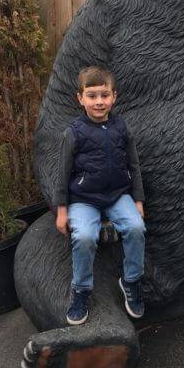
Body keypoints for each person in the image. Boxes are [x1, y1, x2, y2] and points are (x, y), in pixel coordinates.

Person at [54, 66, 146, 326]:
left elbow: (134, 165)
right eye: (92, 95)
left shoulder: (121, 127)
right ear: (80, 98)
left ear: (114, 97)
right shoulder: (73, 132)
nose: (99, 102)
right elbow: (62, 173)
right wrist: (62, 210)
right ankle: (81, 289)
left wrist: (137, 201)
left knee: (136, 227)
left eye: (104, 95)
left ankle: (131, 280)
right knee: (83, 236)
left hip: (118, 195)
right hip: (83, 199)